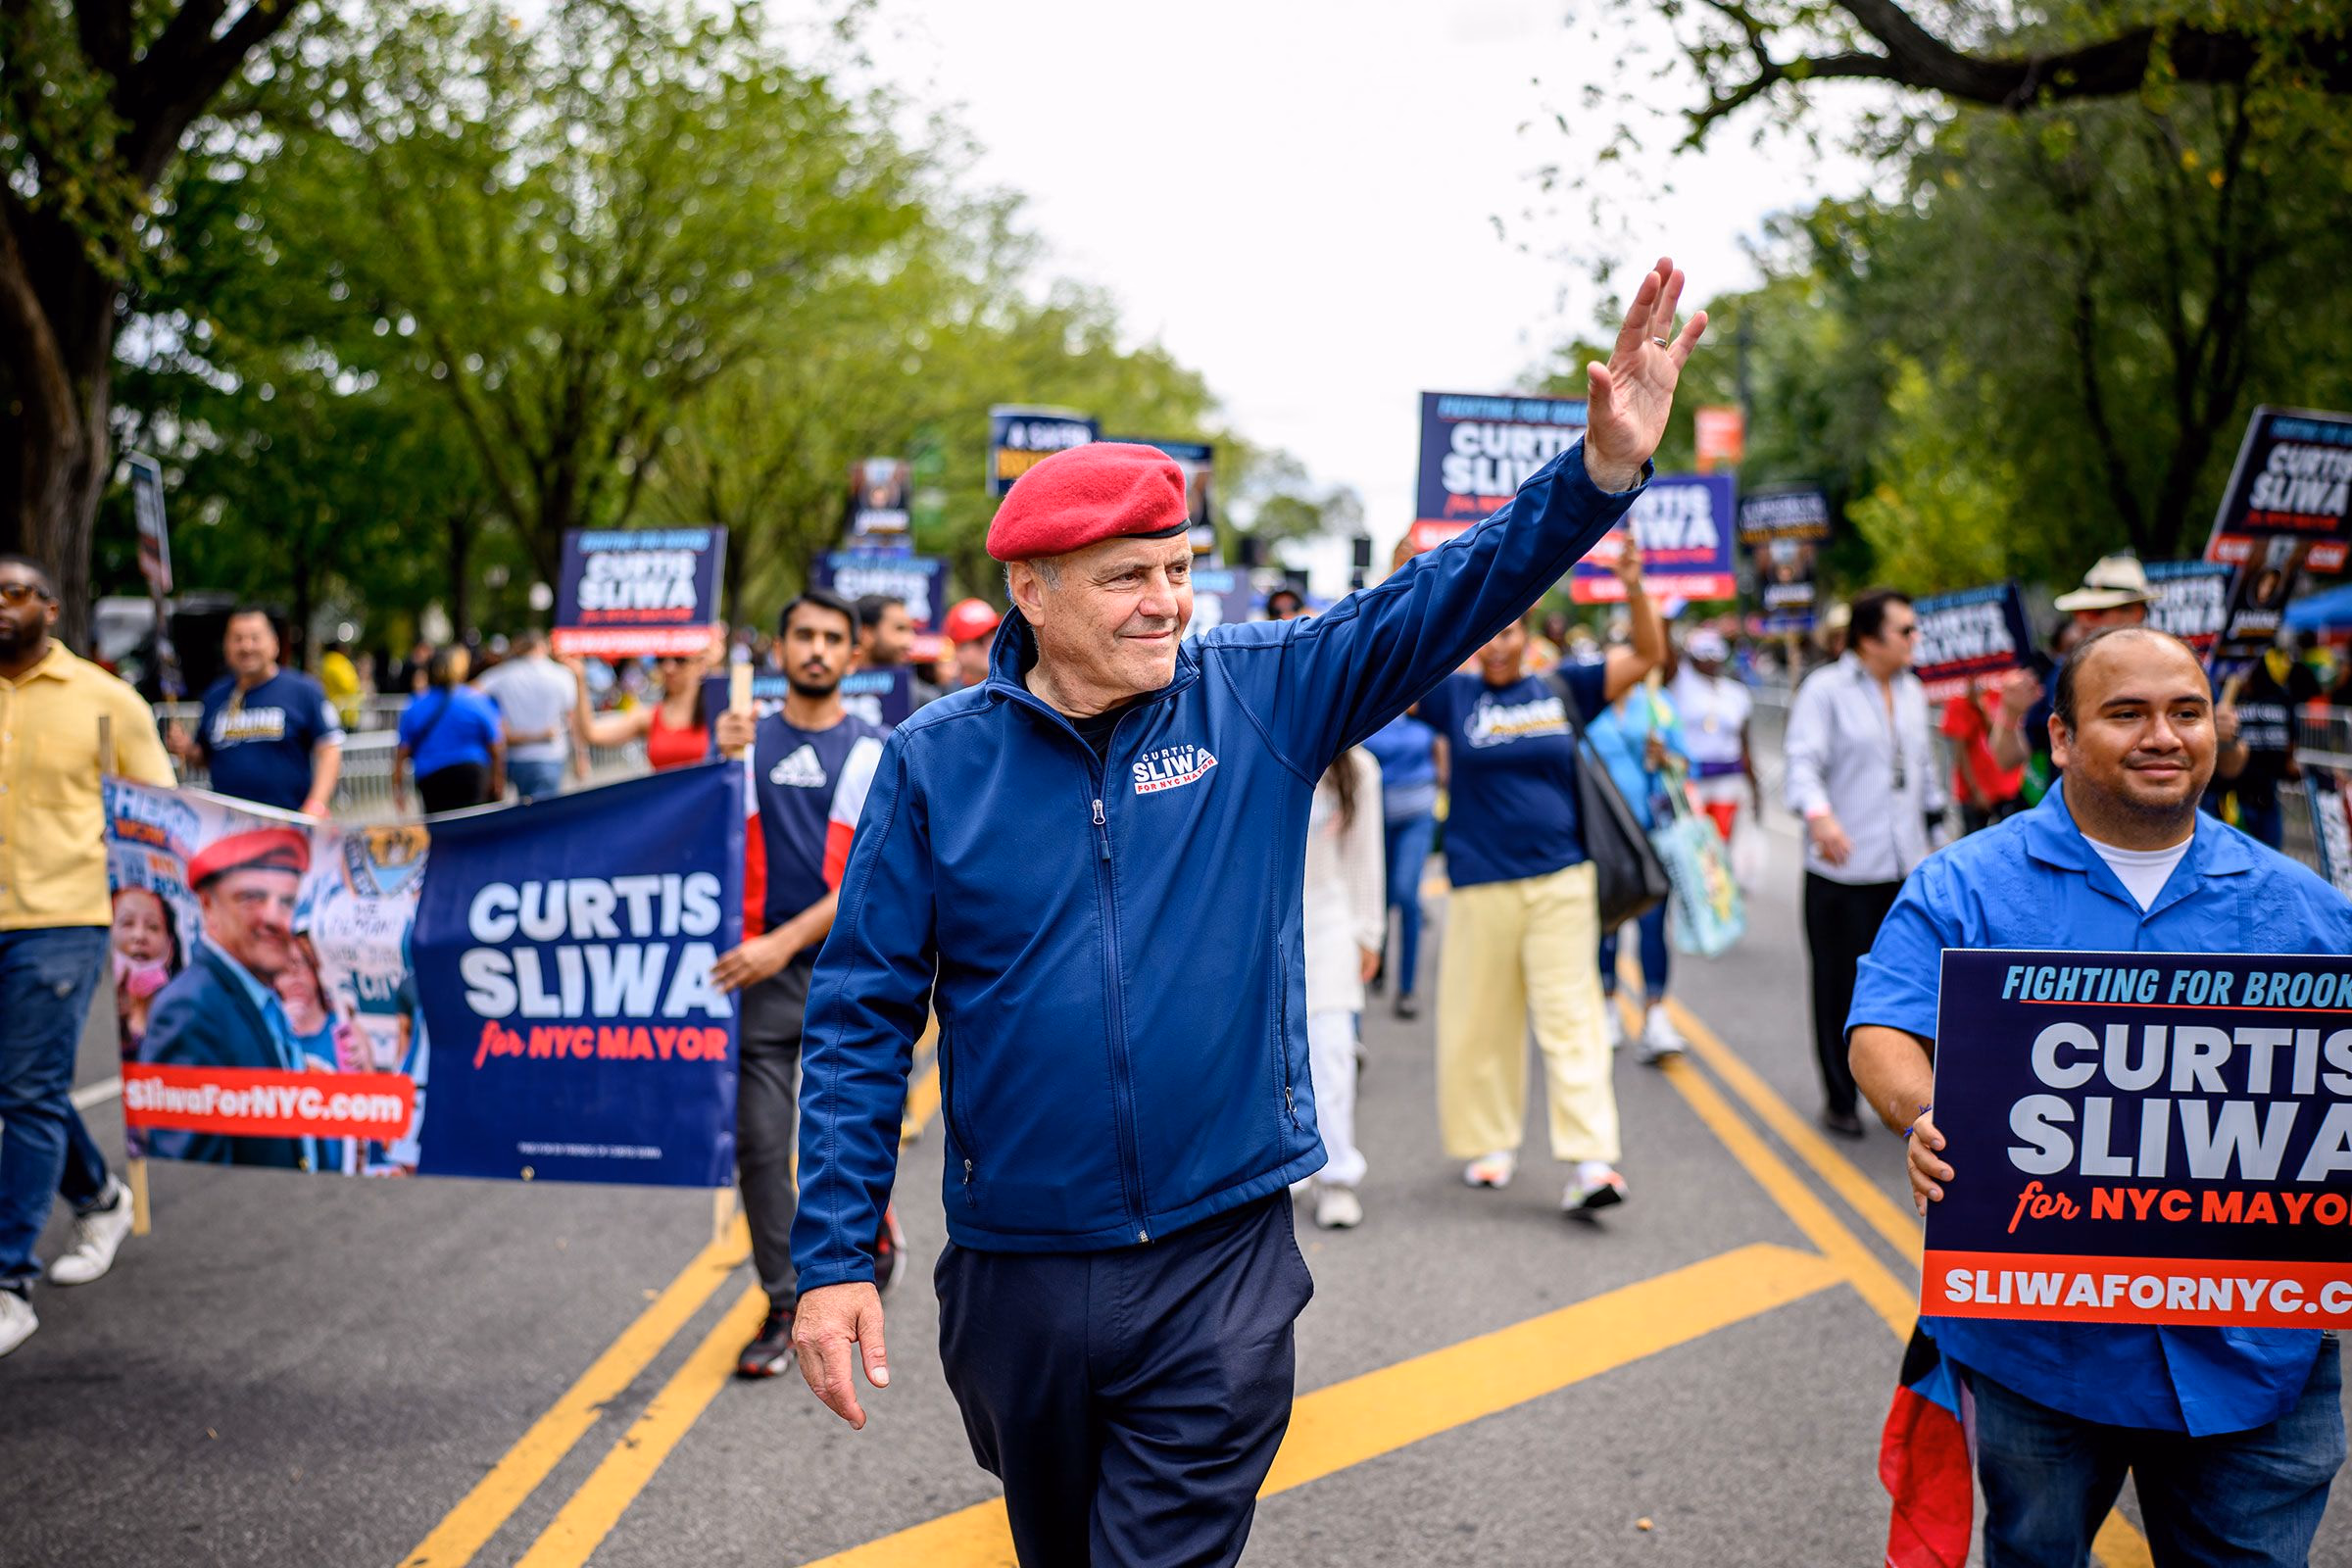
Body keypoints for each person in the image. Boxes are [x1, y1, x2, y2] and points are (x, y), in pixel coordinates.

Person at [783, 259, 1700, 1568]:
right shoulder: (937, 760)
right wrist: (827, 1259)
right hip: (1016, 1274)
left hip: (1217, 1265)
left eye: (1177, 566)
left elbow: (1447, 596)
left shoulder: (1261, 692)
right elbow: (863, 1012)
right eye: (1127, 577)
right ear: (1033, 592)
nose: (1167, 600)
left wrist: (1596, 477)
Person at [1850, 625, 2352, 1568]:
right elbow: (1883, 1027)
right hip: (2038, 1354)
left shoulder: (2310, 912)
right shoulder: (1963, 885)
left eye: (2186, 713)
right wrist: (1924, 1114)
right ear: (2061, 740)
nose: (2162, 735)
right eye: (2126, 714)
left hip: (2256, 1364)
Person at [1418, 547, 1664, 1212]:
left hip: (1561, 879)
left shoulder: (1563, 686)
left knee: (1572, 1016)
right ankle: (1491, 1143)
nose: (1498, 646)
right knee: (1481, 1020)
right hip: (1478, 883)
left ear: (1527, 634)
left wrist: (1636, 590)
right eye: (1487, 635)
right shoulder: (1454, 694)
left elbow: (1645, 655)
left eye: (1509, 632)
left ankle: (1592, 1162)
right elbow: (1395, 666)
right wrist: (1411, 580)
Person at [708, 589, 900, 1379]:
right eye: (803, 636)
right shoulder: (741, 744)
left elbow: (866, 873)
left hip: (841, 978)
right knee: (759, 1145)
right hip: (756, 985)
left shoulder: (878, 750)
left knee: (835, 1142)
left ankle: (870, 1228)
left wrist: (778, 943)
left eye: (832, 638)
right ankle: (784, 1302)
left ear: (853, 656)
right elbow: (696, 836)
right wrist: (715, 760)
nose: (817, 649)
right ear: (779, 649)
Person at [0, 555, 176, 1357]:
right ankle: (97, 1194)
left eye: (15, 593)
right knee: (19, 1083)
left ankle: (9, 1282)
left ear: (51, 606)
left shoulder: (108, 702)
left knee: (28, 1088)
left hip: (63, 917)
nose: (0, 607)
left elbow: (159, 815)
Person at [1784, 587, 1945, 1139]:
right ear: (1869, 637)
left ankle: (1906, 1094)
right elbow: (1801, 762)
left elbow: (1925, 776)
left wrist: (1941, 839)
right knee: (1837, 986)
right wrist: (1820, 816)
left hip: (1905, 867)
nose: (1913, 640)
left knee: (1913, 985)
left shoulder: (1916, 691)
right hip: (1843, 869)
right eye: (1904, 630)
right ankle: (1839, 1097)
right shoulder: (1825, 690)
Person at [138, 828, 328, 1169]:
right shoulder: (190, 1011)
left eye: (286, 901)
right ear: (208, 906)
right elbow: (193, 1178)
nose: (274, 918)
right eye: (252, 898)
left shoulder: (260, 996)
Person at [1296, 746, 1384, 1230]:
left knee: (1331, 1052)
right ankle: (1288, 1169)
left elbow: (1365, 856)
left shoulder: (1358, 768)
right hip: (1260, 928)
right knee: (1275, 1059)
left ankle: (1337, 1178)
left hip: (1330, 924)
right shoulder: (1259, 742)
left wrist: (1369, 932)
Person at [1587, 676, 1689, 1061]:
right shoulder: (1587, 697)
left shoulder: (1657, 703)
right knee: (1605, 926)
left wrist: (1664, 757)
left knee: (1652, 925)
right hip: (1602, 836)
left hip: (1650, 834)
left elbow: (1684, 764)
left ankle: (1655, 1014)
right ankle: (1608, 1005)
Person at [1988, 552, 2157, 778]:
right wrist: (2010, 714)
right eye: (2079, 611)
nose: (2084, 620)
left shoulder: (2179, 674)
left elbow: (2220, 766)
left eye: (2096, 612)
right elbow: (2006, 760)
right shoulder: (2061, 676)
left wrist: (2223, 740)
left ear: (2135, 612)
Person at [173, 607, 343, 817]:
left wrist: (316, 805)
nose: (246, 647)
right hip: (228, 829)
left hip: (286, 826)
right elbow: (206, 757)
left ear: (274, 644)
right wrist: (187, 749)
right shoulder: (215, 696)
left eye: (255, 638)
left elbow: (329, 748)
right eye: (238, 639)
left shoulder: (304, 691)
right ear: (226, 646)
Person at [1360, 708, 1443, 1019]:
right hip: (1375, 816)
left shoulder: (1427, 714)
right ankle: (1376, 959)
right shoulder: (1372, 707)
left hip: (1417, 816)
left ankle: (1407, 989)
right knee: (1379, 895)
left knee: (1407, 895)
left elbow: (1441, 749)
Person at [2206, 638, 2322, 851]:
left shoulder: (2280, 696)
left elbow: (2291, 735)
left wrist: (2289, 761)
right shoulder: (2225, 698)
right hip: (2232, 799)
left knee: (2270, 858)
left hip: (2267, 794)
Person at [1668, 627, 1757, 843]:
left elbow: (1745, 744)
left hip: (1728, 780)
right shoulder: (1678, 685)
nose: (1710, 661)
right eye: (1703, 655)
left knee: (1721, 844)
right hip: (1692, 780)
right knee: (1695, 843)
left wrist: (1756, 789)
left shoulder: (1736, 693)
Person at [393, 647, 506, 815]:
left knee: (441, 829)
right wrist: (498, 777)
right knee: (475, 825)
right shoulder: (476, 700)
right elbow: (496, 744)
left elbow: (403, 751)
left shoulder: (415, 705)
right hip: (473, 772)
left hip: (432, 776)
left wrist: (397, 787)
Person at [475, 627, 579, 801]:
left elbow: (471, 693)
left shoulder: (504, 674)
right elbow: (572, 715)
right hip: (549, 754)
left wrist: (494, 724)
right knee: (544, 816)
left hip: (515, 756)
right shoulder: (562, 674)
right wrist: (580, 757)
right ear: (542, 646)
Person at [568, 646, 710, 772]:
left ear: (701, 665)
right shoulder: (650, 716)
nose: (668, 667)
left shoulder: (715, 714)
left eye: (680, 659)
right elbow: (591, 733)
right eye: (661, 659)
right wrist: (579, 677)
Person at [1941, 674, 2026, 834]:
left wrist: (1982, 709)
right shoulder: (1958, 702)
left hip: (2005, 788)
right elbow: (1960, 754)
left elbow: (1996, 740)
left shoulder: (2000, 691)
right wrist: (1976, 791)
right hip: (1974, 794)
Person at [854, 593, 942, 709]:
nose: (909, 642)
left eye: (912, 630)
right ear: (866, 634)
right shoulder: (829, 690)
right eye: (900, 629)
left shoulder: (924, 702)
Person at [942, 598, 1002, 691]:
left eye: (994, 633)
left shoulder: (1018, 688)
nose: (990, 643)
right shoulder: (945, 700)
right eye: (980, 640)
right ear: (958, 650)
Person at [318, 639, 362, 731]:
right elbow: (348, 685)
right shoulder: (338, 662)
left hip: (337, 710)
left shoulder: (327, 662)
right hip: (344, 712)